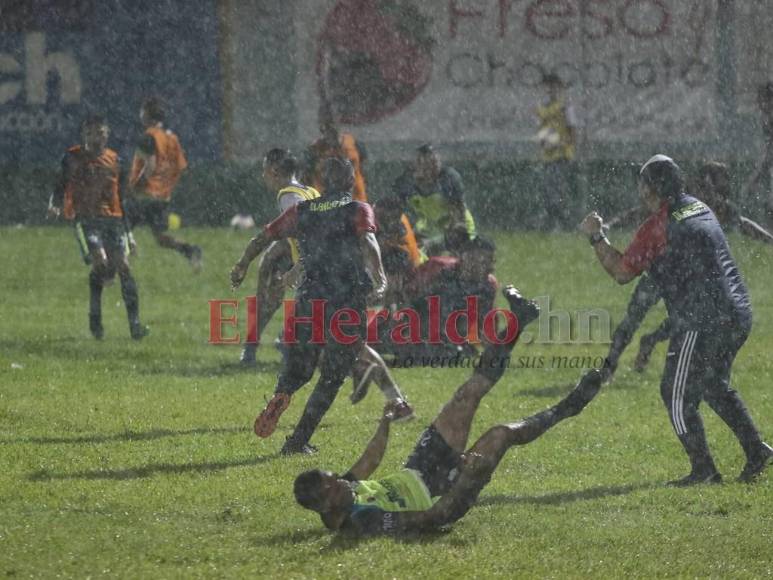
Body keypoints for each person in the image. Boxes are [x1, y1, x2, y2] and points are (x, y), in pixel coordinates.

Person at [292, 286, 605, 535]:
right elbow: (434, 518)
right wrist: (467, 480)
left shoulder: (346, 490)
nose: (343, 483)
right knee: (502, 434)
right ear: (325, 509)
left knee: (466, 395)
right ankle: (571, 406)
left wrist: (385, 422)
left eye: (335, 478)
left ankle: (519, 320)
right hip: (442, 491)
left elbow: (370, 460)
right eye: (334, 488)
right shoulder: (362, 523)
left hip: (418, 466)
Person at [580, 154, 773, 485]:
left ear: (650, 189)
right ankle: (758, 452)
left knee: (674, 392)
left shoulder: (658, 227)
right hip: (738, 314)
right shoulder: (700, 207)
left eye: (641, 184)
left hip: (704, 320)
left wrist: (597, 237)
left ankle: (703, 470)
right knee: (712, 385)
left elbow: (622, 272)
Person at [230, 157, 391, 454]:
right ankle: (297, 441)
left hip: (308, 299)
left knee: (299, 368)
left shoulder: (302, 210)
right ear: (350, 181)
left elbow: (263, 237)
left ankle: (283, 392)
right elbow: (369, 241)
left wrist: (242, 264)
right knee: (331, 376)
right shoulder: (357, 208)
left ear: (322, 183)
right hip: (346, 300)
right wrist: (380, 279)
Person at [604, 161, 773, 377]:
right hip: (658, 274)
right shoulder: (681, 200)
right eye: (715, 182)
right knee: (634, 317)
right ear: (702, 181)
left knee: (685, 319)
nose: (719, 189)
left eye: (719, 185)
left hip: (684, 280)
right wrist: (611, 223)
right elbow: (639, 213)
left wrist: (769, 239)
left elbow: (742, 223)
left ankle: (652, 341)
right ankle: (610, 365)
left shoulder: (715, 204)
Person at [48, 115, 148, 340]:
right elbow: (60, 184)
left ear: (107, 134)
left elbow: (121, 198)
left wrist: (129, 234)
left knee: (123, 266)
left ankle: (135, 326)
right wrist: (54, 204)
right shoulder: (71, 157)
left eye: (101, 133)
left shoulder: (116, 160)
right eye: (92, 133)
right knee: (101, 264)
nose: (97, 138)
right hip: (86, 220)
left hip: (113, 220)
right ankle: (96, 321)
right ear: (84, 135)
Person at [127, 97, 202, 270]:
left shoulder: (148, 137)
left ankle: (116, 267)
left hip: (144, 195)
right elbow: (180, 167)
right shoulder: (172, 138)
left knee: (120, 228)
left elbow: (150, 166)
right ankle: (190, 250)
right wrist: (166, 186)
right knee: (160, 238)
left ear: (146, 115)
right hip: (161, 196)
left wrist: (135, 187)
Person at [392, 144, 476, 255]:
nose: (432, 170)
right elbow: (395, 214)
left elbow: (459, 224)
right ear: (415, 166)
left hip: (454, 232)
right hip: (429, 229)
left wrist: (435, 243)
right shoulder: (406, 183)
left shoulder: (448, 179)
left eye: (435, 163)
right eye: (426, 165)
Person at [536, 73, 578, 231]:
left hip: (561, 156)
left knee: (557, 193)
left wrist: (559, 143)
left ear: (559, 88)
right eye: (547, 87)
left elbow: (572, 132)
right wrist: (544, 142)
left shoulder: (565, 106)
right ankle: (557, 224)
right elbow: (541, 131)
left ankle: (563, 225)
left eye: (553, 87)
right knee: (548, 192)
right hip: (547, 157)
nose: (550, 90)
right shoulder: (542, 108)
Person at [303, 101, 368, 202]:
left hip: (355, 205)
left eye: (332, 122)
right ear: (321, 125)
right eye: (326, 123)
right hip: (327, 209)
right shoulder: (314, 151)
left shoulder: (354, 144)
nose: (330, 127)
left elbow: (363, 173)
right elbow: (306, 182)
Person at [739, 82, 773, 224]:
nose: (760, 105)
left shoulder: (769, 118)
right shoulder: (767, 119)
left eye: (763, 100)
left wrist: (755, 177)